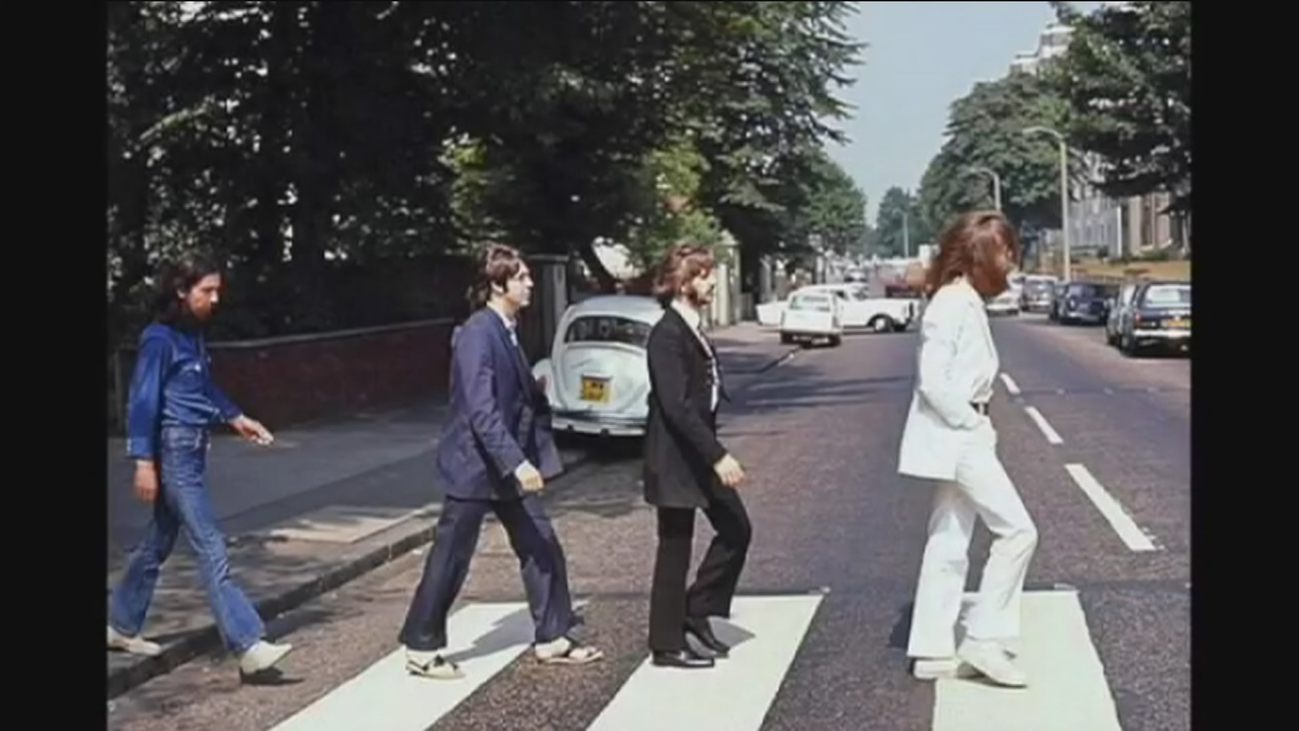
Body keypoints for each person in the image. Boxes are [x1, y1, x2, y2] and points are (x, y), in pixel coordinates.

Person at [398, 244, 602, 679]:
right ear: (497, 284)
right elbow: (480, 409)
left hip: (502, 466)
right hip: (476, 465)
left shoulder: (508, 328)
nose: (530, 284)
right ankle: (420, 645)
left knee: (541, 543)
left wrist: (533, 390)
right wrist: (518, 463)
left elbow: (506, 396)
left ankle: (552, 636)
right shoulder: (478, 332)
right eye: (523, 277)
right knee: (451, 556)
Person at [108, 255, 292, 680]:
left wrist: (236, 417)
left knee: (157, 543)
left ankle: (119, 624)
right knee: (210, 544)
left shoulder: (192, 338)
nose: (215, 298)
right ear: (180, 292)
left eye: (217, 290)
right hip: (173, 451)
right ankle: (247, 645)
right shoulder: (159, 340)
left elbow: (203, 388)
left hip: (192, 449)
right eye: (206, 290)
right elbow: (142, 402)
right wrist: (143, 463)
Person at [898, 211, 1039, 688]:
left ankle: (932, 646)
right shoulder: (954, 304)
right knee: (1018, 532)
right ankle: (983, 639)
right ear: (979, 254)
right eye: (1004, 251)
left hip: (958, 431)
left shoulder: (960, 300)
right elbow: (933, 381)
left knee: (950, 537)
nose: (1011, 261)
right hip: (959, 434)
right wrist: (972, 423)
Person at [642, 243, 750, 670]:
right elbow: (677, 407)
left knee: (737, 529)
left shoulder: (691, 328)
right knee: (674, 548)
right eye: (703, 275)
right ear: (683, 283)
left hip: (697, 455)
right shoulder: (666, 335)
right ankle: (666, 643)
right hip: (675, 459)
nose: (710, 282)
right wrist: (718, 455)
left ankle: (696, 610)